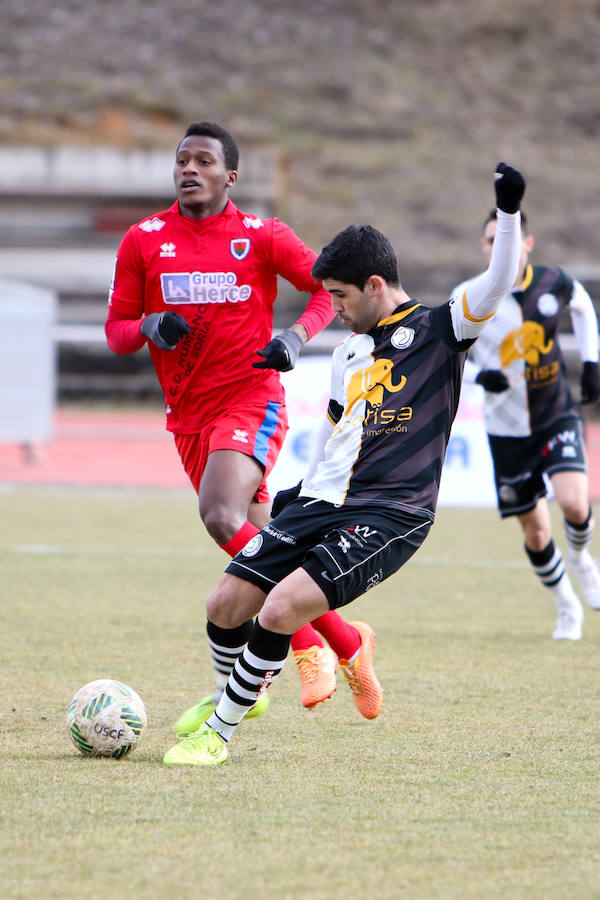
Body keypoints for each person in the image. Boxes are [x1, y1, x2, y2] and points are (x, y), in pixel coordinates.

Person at [161, 161, 526, 766]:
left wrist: (508, 212)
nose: (333, 309)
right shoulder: (351, 351)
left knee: (280, 609)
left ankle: (218, 733)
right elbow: (338, 435)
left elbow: (498, 279)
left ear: (376, 284)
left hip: (390, 513)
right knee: (224, 606)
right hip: (322, 501)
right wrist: (300, 491)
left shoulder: (442, 327)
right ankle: (240, 696)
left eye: (340, 297)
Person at [105, 121, 381, 720]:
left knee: (219, 514)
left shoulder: (262, 235)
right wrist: (149, 326)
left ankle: (305, 647)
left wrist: (294, 336)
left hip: (251, 398)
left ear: (229, 176)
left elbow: (323, 292)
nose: (189, 170)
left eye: (203, 161)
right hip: (188, 414)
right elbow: (116, 330)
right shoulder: (144, 240)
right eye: (182, 160)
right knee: (267, 542)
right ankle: (350, 644)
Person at [456, 210, 600, 641]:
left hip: (555, 411)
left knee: (575, 503)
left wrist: (592, 363)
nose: (501, 247)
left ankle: (581, 556)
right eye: (492, 240)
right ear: (485, 247)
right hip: (507, 429)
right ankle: (567, 606)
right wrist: (479, 375)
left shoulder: (553, 282)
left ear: (528, 244)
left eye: (511, 240)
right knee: (536, 532)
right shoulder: (469, 296)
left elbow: (584, 308)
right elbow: (444, 356)